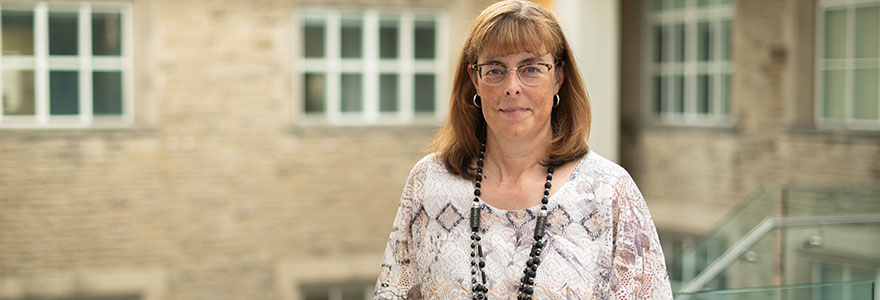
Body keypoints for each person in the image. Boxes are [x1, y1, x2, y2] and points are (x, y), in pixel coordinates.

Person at [374, 1, 672, 299]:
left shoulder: (609, 191)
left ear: (559, 77)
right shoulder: (429, 183)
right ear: (474, 79)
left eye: (531, 68)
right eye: (495, 70)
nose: (512, 86)